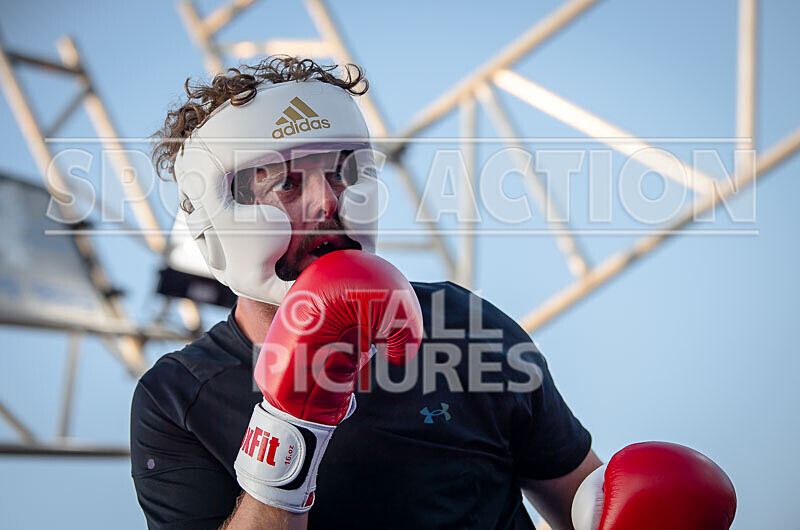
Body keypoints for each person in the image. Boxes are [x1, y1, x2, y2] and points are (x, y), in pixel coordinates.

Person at [131, 57, 736, 530]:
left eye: (343, 172)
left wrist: (629, 510)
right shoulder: (177, 398)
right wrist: (289, 427)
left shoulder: (460, 323)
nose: (326, 203)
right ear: (212, 222)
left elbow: (581, 496)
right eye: (287, 181)